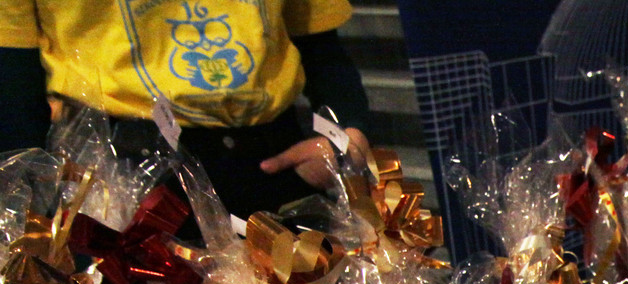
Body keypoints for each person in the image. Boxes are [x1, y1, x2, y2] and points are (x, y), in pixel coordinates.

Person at [0, 0, 372, 218]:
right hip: (117, 179)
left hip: (275, 163)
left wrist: (344, 136)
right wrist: (21, 212)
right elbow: (15, 84)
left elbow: (321, 47)